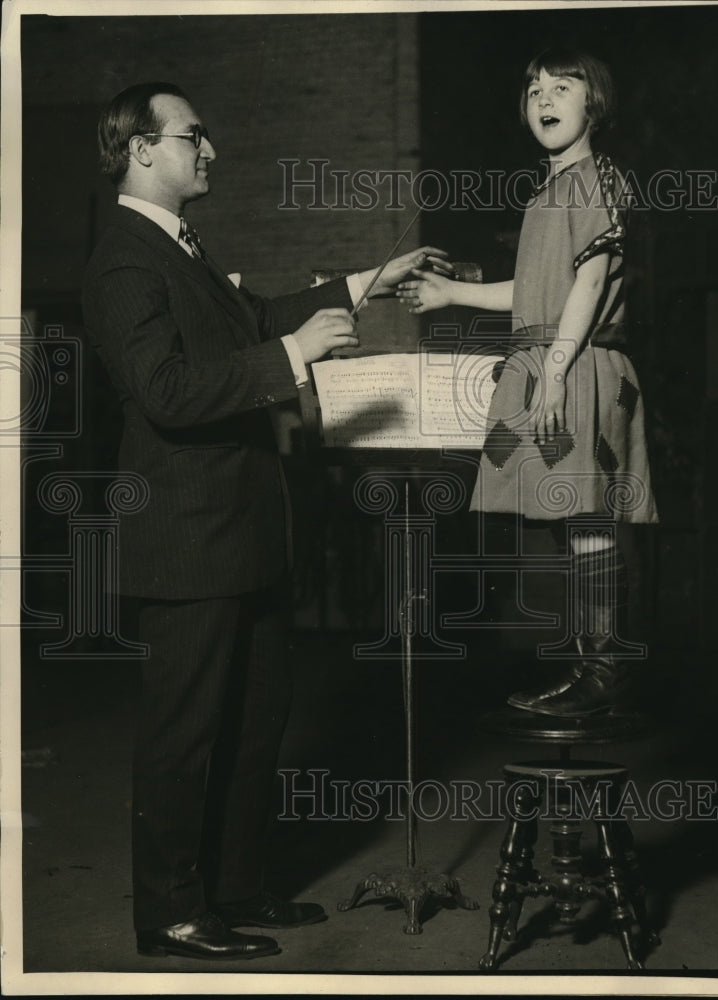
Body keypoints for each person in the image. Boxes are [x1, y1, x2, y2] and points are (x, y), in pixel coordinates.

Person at [82, 81, 450, 961]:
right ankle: (170, 913)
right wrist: (292, 355)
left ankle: (235, 887)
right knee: (184, 734)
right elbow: (167, 393)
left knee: (254, 722)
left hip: (240, 533)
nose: (209, 151)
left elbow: (255, 318)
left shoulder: (180, 247)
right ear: (141, 149)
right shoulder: (123, 260)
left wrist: (371, 281)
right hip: (186, 542)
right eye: (193, 136)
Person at [397, 48, 658, 718]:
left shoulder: (594, 177)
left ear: (593, 103)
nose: (543, 98)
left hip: (576, 362)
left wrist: (556, 368)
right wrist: (451, 292)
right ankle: (593, 665)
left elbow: (590, 282)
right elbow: (536, 291)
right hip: (553, 357)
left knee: (588, 521)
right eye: (534, 88)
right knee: (574, 523)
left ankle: (604, 672)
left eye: (562, 87)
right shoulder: (549, 190)